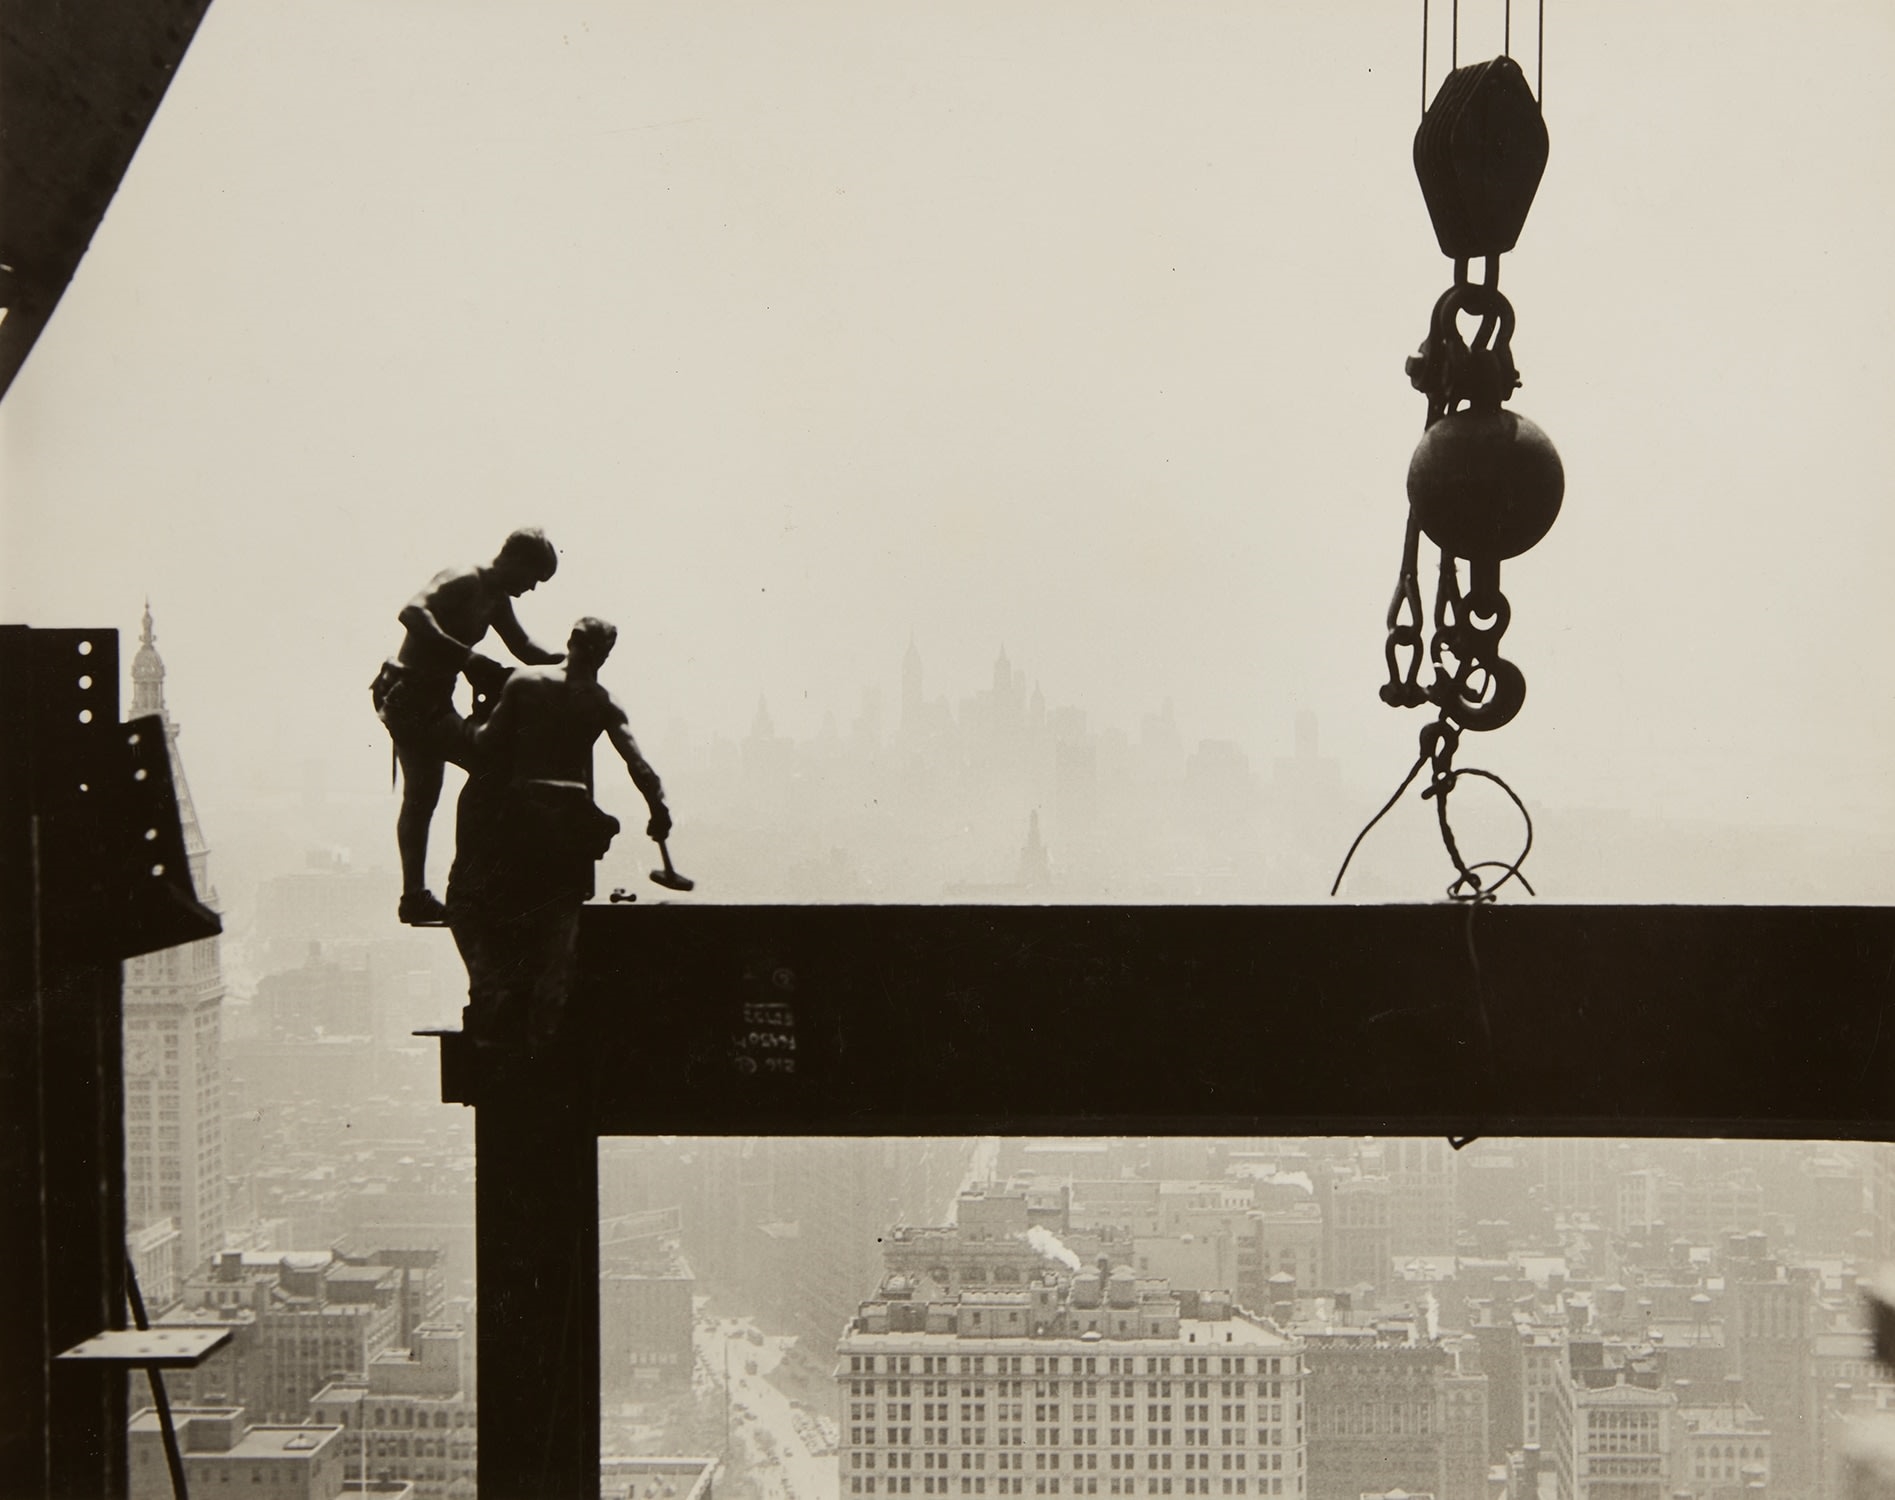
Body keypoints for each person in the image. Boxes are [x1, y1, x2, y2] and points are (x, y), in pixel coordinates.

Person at [444, 616, 672, 1052]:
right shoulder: (604, 702)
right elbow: (639, 766)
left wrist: (456, 726)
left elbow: (487, 744)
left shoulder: (526, 683)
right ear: (604, 654)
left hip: (521, 809)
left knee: (467, 899)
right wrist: (658, 810)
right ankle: (544, 1028)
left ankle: (488, 987)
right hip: (571, 818)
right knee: (560, 923)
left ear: (569, 642)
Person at [371, 528, 565, 925]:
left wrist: (567, 663)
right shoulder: (464, 578)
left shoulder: (496, 600)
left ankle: (418, 896)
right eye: (531, 578)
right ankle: (470, 885)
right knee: (487, 768)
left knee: (423, 796)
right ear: (515, 560)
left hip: (434, 700)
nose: (529, 589)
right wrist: (468, 658)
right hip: (409, 697)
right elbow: (412, 613)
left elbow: (523, 647)